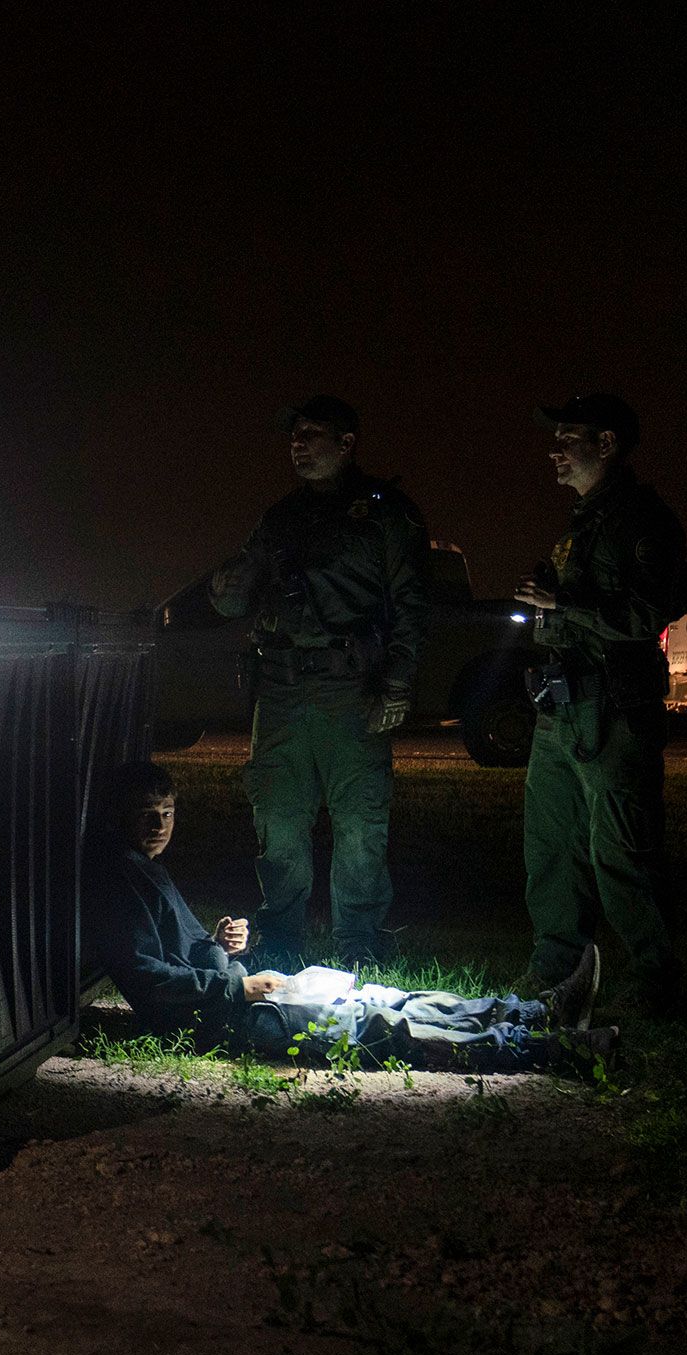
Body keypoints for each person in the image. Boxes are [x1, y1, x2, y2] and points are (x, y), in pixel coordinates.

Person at [86, 763, 610, 1072]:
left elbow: (185, 947)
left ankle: (532, 1012)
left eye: (168, 812)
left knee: (383, 998)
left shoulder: (143, 868)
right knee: (382, 1029)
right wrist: (236, 989)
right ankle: (556, 1049)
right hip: (226, 1017)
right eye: (147, 814)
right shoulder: (118, 880)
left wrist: (222, 943)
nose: (160, 825)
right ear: (121, 817)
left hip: (238, 995)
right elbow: (145, 975)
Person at [207, 395, 429, 969]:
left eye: (312, 434)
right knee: (279, 819)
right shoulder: (280, 517)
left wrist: (399, 684)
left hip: (350, 688)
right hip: (281, 688)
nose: (298, 445)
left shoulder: (385, 513)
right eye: (294, 436)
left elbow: (410, 603)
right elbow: (237, 589)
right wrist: (229, 590)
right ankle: (281, 939)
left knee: (360, 821)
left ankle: (359, 944)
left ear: (347, 442)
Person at [516, 394, 687, 1014]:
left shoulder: (643, 519)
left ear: (607, 444)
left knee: (621, 848)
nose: (555, 449)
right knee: (552, 844)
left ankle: (655, 979)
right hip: (562, 707)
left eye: (570, 436)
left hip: (614, 709)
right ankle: (554, 967)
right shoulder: (582, 523)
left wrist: (565, 604)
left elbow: (653, 610)